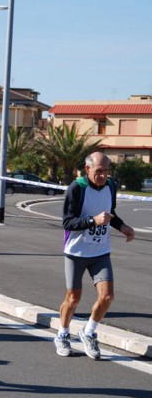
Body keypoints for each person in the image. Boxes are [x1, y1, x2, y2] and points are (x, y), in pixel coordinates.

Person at [54, 151, 135, 360]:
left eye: (107, 170)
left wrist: (123, 226)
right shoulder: (77, 188)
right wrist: (92, 221)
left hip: (100, 251)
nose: (104, 175)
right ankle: (62, 334)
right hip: (76, 252)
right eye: (99, 171)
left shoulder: (111, 186)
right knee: (73, 298)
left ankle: (88, 332)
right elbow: (67, 222)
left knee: (107, 296)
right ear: (87, 169)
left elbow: (110, 213)